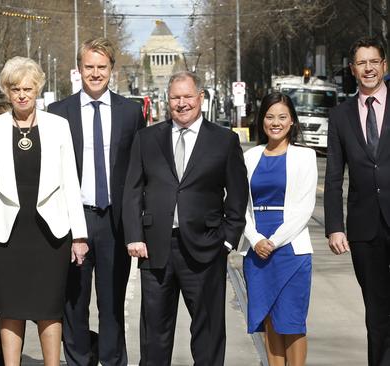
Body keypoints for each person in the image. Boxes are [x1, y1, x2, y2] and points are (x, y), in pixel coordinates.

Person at [122, 71, 248, 365]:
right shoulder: (147, 138)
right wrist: (134, 236)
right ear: (167, 101)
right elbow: (132, 191)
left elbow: (238, 195)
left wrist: (227, 241)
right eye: (175, 98)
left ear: (200, 98)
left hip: (206, 249)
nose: (182, 104)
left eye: (187, 96)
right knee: (155, 334)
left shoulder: (224, 141)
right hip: (155, 249)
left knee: (208, 332)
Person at [0, 56, 88, 366]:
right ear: (7, 92)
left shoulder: (58, 126)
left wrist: (80, 236)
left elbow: (70, 184)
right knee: (10, 309)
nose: (22, 95)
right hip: (7, 234)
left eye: (28, 88)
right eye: (15, 89)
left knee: (50, 309)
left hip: (51, 235)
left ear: (38, 90)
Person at [47, 37, 145, 366]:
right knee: (74, 302)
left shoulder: (131, 113)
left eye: (101, 67)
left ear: (112, 70)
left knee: (112, 302)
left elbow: (139, 171)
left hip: (115, 222)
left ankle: (113, 360)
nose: (95, 73)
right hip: (75, 220)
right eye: (89, 66)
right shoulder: (58, 113)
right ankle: (77, 360)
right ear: (78, 69)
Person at [325, 36, 390, 366]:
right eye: (361, 63)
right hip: (364, 230)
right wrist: (335, 227)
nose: (368, 68)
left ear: (384, 65)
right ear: (353, 69)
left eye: (374, 61)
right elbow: (334, 175)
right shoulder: (339, 117)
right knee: (376, 314)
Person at [240, 92, 316, 366]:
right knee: (269, 319)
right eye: (270, 117)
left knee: (292, 321)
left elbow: (304, 208)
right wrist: (256, 239)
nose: (276, 122)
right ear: (261, 121)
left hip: (291, 251)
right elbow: (240, 206)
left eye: (282, 117)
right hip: (257, 251)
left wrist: (273, 241)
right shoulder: (250, 157)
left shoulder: (305, 156)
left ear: (292, 121)